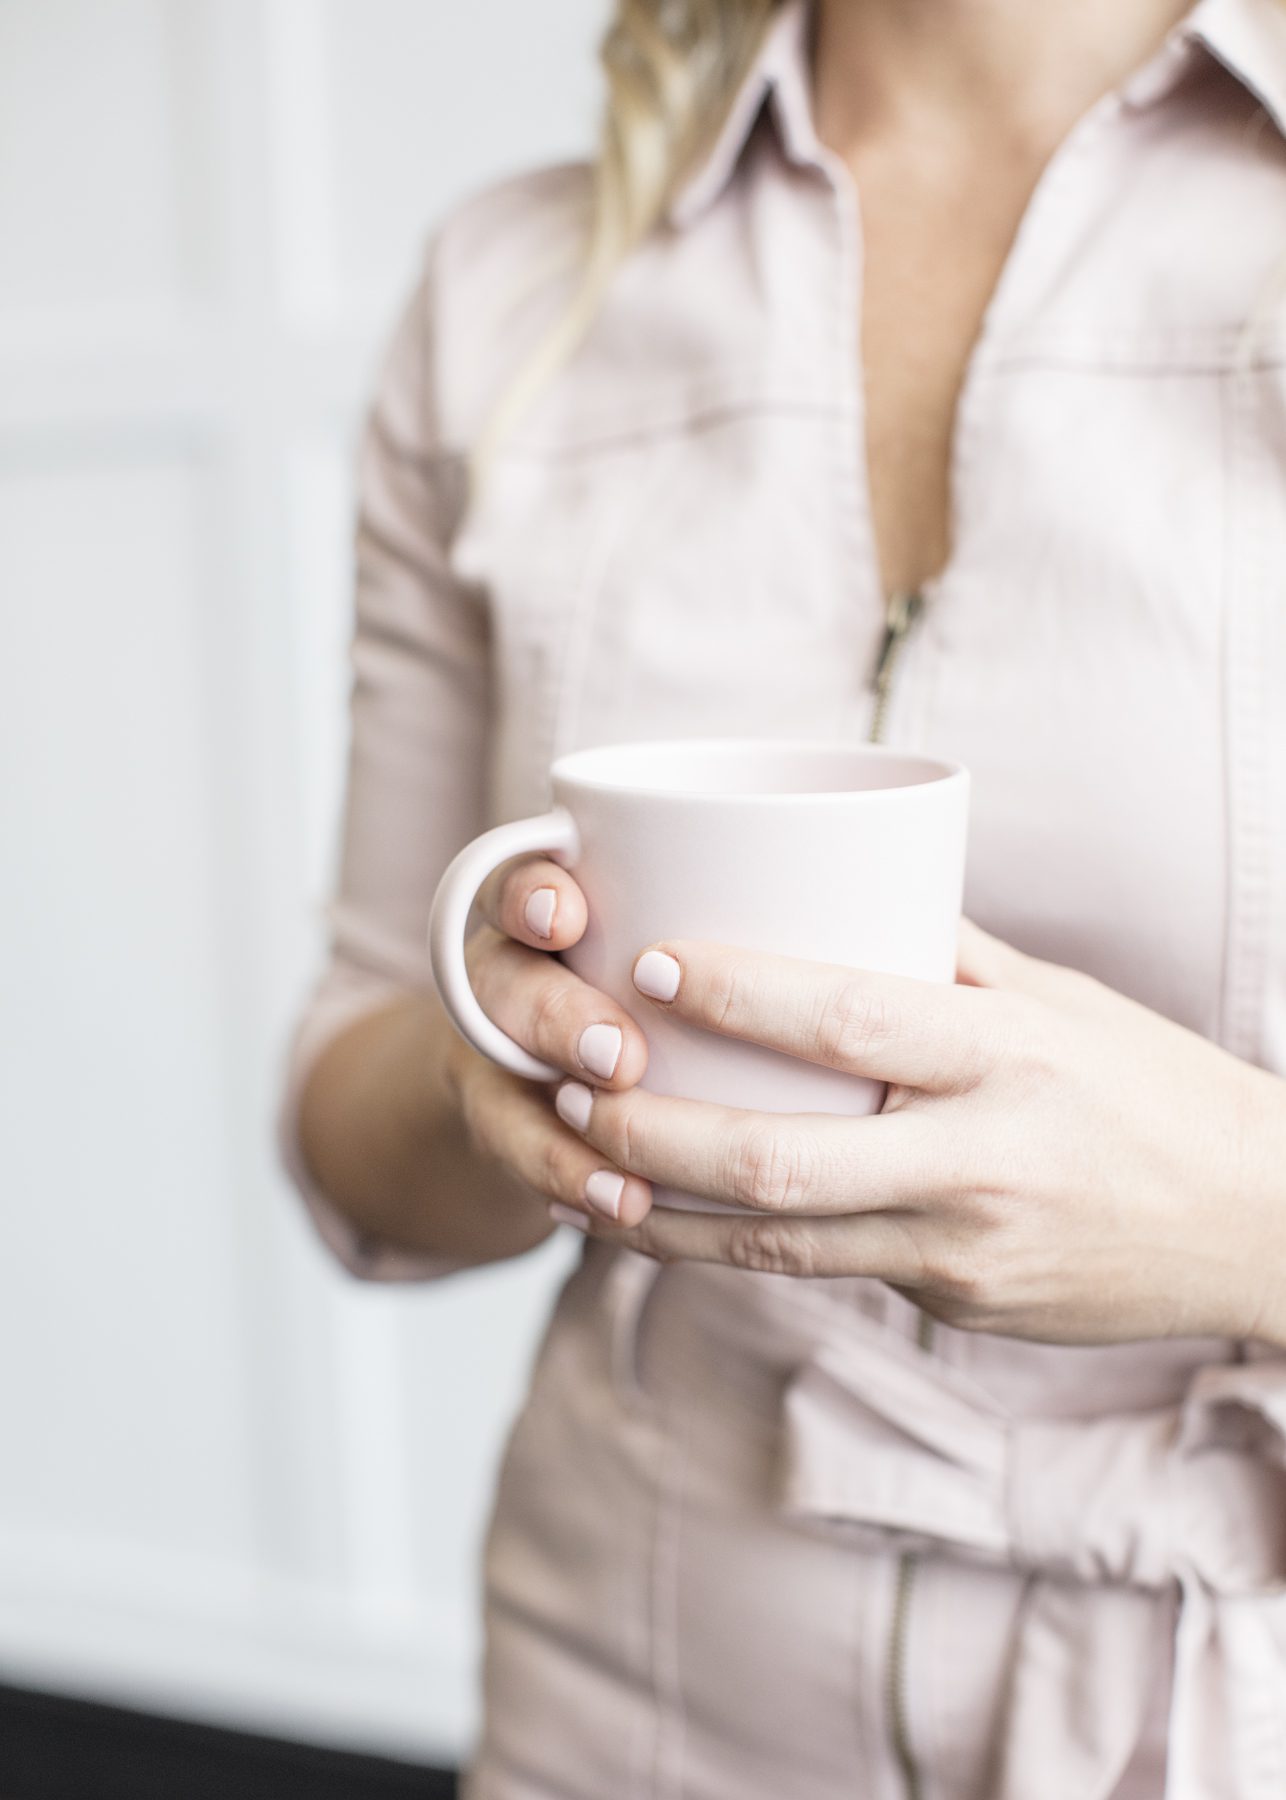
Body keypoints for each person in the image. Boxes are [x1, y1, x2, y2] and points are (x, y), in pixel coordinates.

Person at [276, 0, 1286, 1793]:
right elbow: (355, 1154)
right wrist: (488, 1065)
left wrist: (1235, 1211)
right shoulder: (511, 293)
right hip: (623, 1691)